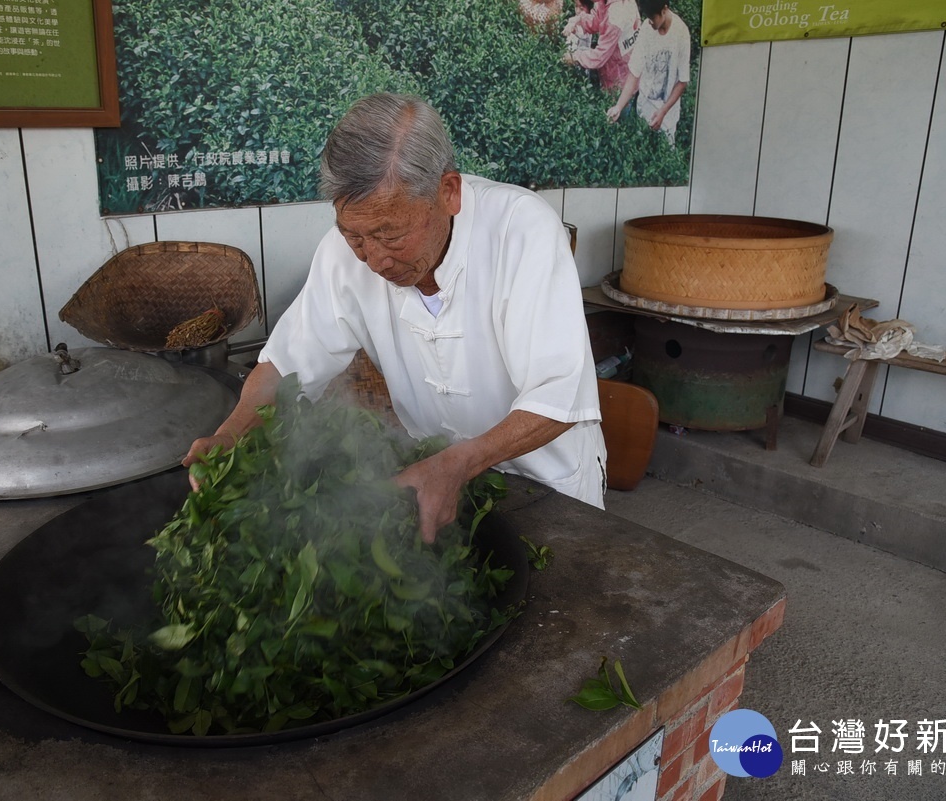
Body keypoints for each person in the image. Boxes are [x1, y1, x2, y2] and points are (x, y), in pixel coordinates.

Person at [184, 93, 607, 543]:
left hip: (547, 487)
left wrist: (459, 463)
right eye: (356, 237)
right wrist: (235, 429)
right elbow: (287, 366)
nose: (375, 260)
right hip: (429, 480)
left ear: (449, 192)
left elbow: (560, 394)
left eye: (391, 235)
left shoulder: (523, 231)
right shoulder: (343, 253)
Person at [605, 0, 690, 143]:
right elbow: (634, 73)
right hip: (644, 108)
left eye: (652, 18)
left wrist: (663, 111)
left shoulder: (681, 33)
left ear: (664, 10)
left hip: (667, 114)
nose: (649, 23)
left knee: (664, 154)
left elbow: (682, 82)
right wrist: (618, 107)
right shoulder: (646, 29)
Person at [562, 0, 641, 94]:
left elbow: (599, 56)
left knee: (617, 102)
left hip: (621, 77)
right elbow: (598, 20)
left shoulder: (616, 15)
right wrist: (579, 20)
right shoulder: (605, 2)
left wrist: (574, 57)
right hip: (622, 65)